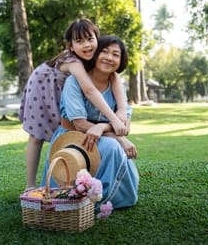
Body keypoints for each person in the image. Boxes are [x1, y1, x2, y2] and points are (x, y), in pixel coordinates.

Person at [19, 19, 128, 191]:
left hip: (62, 88)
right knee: (36, 136)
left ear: (97, 38)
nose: (86, 45)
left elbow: (113, 77)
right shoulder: (75, 62)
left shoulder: (93, 58)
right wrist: (114, 119)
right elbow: (90, 91)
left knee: (68, 125)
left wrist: (121, 111)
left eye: (90, 39)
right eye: (79, 41)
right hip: (43, 84)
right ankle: (30, 185)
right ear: (70, 46)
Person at [41, 35, 139, 210]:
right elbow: (80, 124)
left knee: (111, 145)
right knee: (112, 146)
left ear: (121, 60)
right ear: (95, 54)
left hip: (100, 136)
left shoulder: (118, 89)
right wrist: (119, 139)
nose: (110, 57)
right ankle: (92, 202)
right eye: (104, 51)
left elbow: (124, 126)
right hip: (72, 137)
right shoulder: (74, 82)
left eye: (116, 54)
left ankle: (106, 197)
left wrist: (102, 127)